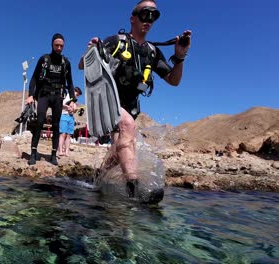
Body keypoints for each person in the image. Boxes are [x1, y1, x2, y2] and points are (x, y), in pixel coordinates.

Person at [79, 0, 191, 198]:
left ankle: (99, 180)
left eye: (153, 16)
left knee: (122, 149)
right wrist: (90, 50)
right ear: (132, 18)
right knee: (128, 126)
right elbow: (83, 65)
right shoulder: (116, 42)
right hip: (107, 102)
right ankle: (135, 188)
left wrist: (180, 57)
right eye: (144, 14)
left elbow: (174, 81)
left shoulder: (152, 52)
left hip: (131, 107)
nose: (148, 20)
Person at [26, 33, 76, 166]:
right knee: (40, 121)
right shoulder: (44, 59)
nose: (59, 48)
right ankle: (33, 153)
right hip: (44, 95)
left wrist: (72, 100)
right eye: (56, 45)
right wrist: (31, 95)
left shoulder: (66, 63)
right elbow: (34, 78)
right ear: (52, 45)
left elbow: (70, 83)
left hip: (57, 97)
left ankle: (54, 154)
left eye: (61, 46)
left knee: (55, 125)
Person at [58, 86, 82, 157]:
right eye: (77, 94)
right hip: (64, 115)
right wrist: (67, 107)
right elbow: (61, 104)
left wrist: (76, 110)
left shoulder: (74, 100)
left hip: (71, 117)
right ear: (74, 91)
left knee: (69, 135)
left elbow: (73, 110)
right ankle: (60, 150)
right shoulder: (67, 96)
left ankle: (67, 151)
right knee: (63, 134)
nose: (77, 96)